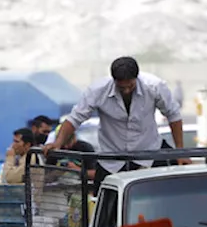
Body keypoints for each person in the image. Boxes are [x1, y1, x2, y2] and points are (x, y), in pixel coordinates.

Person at [45, 56, 187, 184]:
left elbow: (173, 115)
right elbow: (74, 119)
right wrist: (58, 143)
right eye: (121, 87)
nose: (125, 90)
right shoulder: (97, 90)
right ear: (114, 80)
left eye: (130, 86)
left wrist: (180, 151)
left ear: (137, 78)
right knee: (104, 206)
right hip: (112, 159)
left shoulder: (155, 86)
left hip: (149, 152)